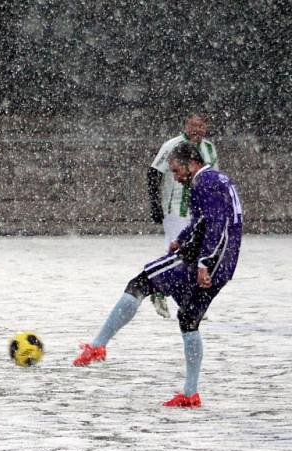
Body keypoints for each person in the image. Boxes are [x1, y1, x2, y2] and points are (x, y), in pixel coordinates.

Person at [74, 142, 242, 408]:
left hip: (203, 258)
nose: (175, 177)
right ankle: (190, 394)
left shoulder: (204, 182)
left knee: (141, 282)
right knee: (189, 317)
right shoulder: (216, 179)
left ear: (192, 162)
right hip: (226, 261)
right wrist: (182, 238)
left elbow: (217, 226)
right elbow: (204, 222)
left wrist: (203, 263)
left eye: (176, 170)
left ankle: (98, 345)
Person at [147, 113, 219, 318]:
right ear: (186, 125)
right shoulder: (172, 145)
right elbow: (153, 172)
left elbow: (212, 178)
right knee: (180, 250)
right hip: (175, 207)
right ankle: (160, 290)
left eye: (201, 125)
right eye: (193, 125)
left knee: (192, 253)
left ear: (206, 127)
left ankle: (186, 299)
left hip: (198, 209)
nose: (197, 129)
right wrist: (155, 204)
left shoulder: (209, 148)